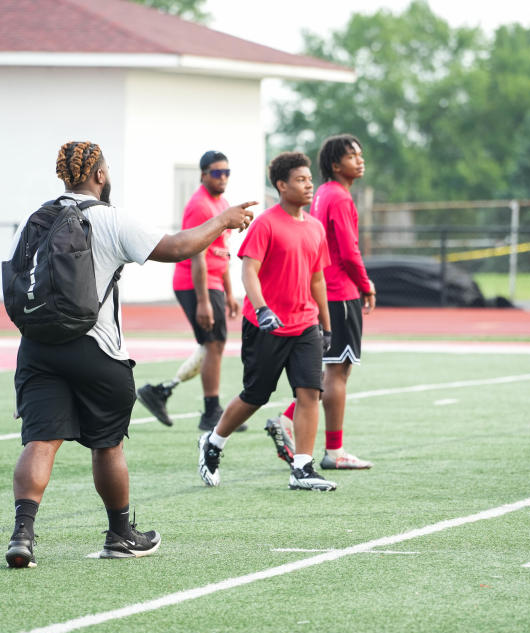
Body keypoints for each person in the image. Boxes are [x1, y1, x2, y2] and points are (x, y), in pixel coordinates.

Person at [5, 141, 255, 568]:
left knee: (41, 441)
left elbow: (14, 279)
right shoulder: (109, 219)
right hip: (96, 347)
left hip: (38, 348)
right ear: (99, 175)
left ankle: (22, 535)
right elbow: (177, 247)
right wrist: (224, 221)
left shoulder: (34, 218)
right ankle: (120, 535)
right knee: (108, 445)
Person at [198, 151, 336, 491]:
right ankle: (213, 442)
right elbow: (249, 269)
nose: (309, 185)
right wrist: (261, 309)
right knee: (255, 395)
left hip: (305, 323)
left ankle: (302, 467)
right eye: (301, 180)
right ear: (281, 185)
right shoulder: (265, 223)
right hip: (266, 325)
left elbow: (317, 279)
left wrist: (327, 325)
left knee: (309, 391)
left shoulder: (316, 227)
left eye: (310, 179)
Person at [267, 135, 376, 471]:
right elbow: (348, 249)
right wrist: (365, 283)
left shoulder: (325, 194)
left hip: (324, 289)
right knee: (338, 372)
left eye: (360, 154)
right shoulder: (339, 197)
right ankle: (334, 450)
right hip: (341, 292)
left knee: (328, 370)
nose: (360, 160)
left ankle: (289, 418)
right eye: (352, 156)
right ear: (334, 164)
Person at [136, 150, 247, 432]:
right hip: (196, 283)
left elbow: (222, 253)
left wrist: (230, 292)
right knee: (213, 345)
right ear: (203, 174)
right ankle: (211, 412)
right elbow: (197, 253)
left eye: (227, 172)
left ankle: (161, 391)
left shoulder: (222, 203)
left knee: (214, 345)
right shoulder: (200, 205)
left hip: (213, 283)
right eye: (217, 172)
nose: (223, 178)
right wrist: (203, 301)